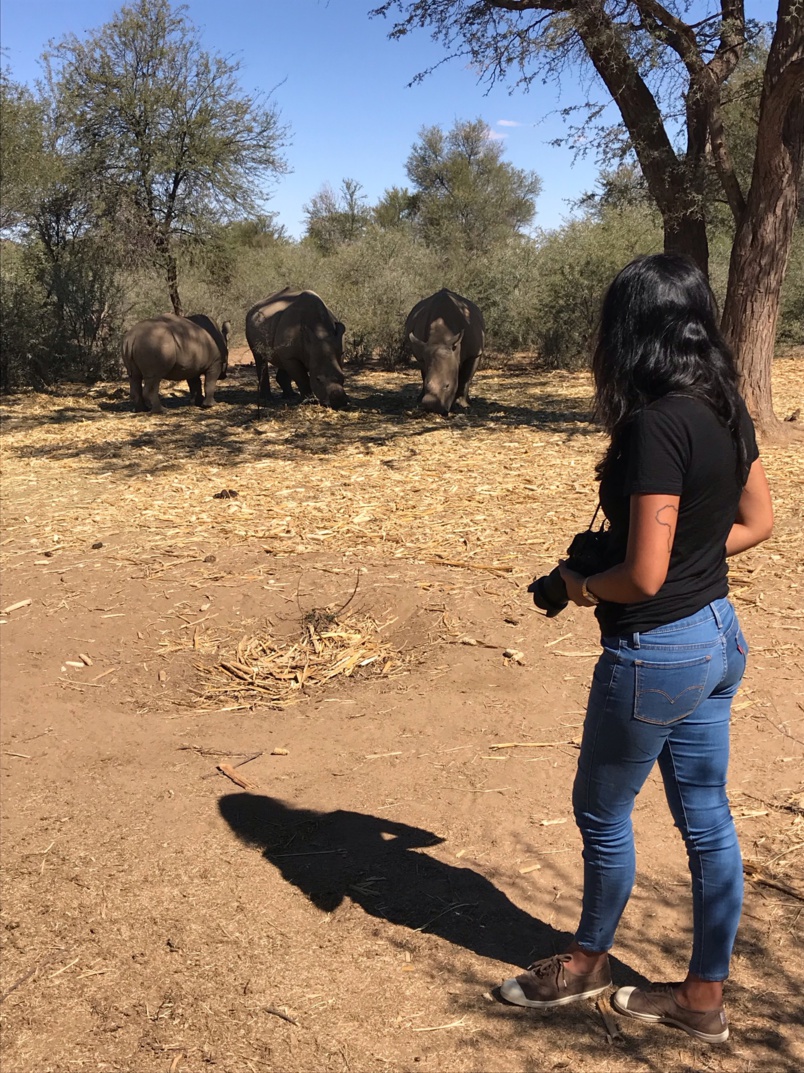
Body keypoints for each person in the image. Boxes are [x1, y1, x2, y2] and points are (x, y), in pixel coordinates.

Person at [500, 253, 774, 1044]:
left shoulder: (656, 423)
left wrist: (581, 586)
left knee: (601, 810)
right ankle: (701, 998)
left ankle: (586, 965)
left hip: (658, 650)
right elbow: (758, 523)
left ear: (631, 330)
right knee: (709, 819)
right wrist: (691, 555)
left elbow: (645, 576)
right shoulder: (725, 405)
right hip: (719, 635)